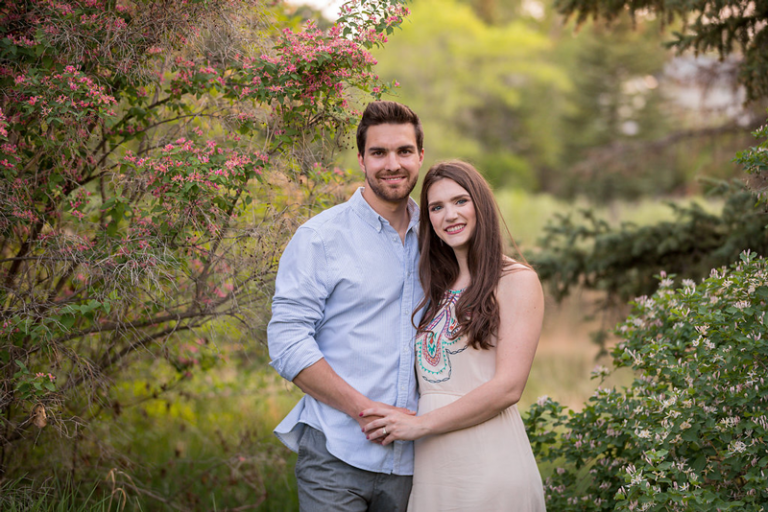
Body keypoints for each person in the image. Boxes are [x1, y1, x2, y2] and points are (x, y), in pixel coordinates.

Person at [361, 160, 547, 511]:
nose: (450, 215)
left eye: (460, 201)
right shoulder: (435, 287)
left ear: (481, 205)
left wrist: (419, 426)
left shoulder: (516, 280)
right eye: (436, 207)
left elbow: (509, 387)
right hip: (433, 467)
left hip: (489, 462)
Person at [267, 100, 425, 511]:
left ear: (420, 156)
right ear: (361, 159)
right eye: (379, 152)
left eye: (404, 151)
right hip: (336, 455)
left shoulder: (440, 238)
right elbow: (287, 341)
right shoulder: (320, 237)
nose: (393, 164)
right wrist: (364, 410)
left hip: (419, 462)